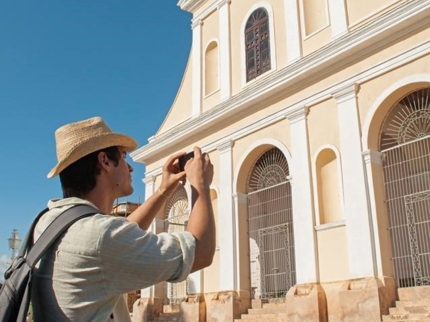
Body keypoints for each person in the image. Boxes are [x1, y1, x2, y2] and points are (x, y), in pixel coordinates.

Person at [31, 116, 215, 322]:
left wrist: (163, 189)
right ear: (105, 161)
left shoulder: (48, 222)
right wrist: (201, 184)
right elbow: (200, 252)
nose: (130, 167)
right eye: (124, 156)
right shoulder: (101, 237)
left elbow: (119, 233)